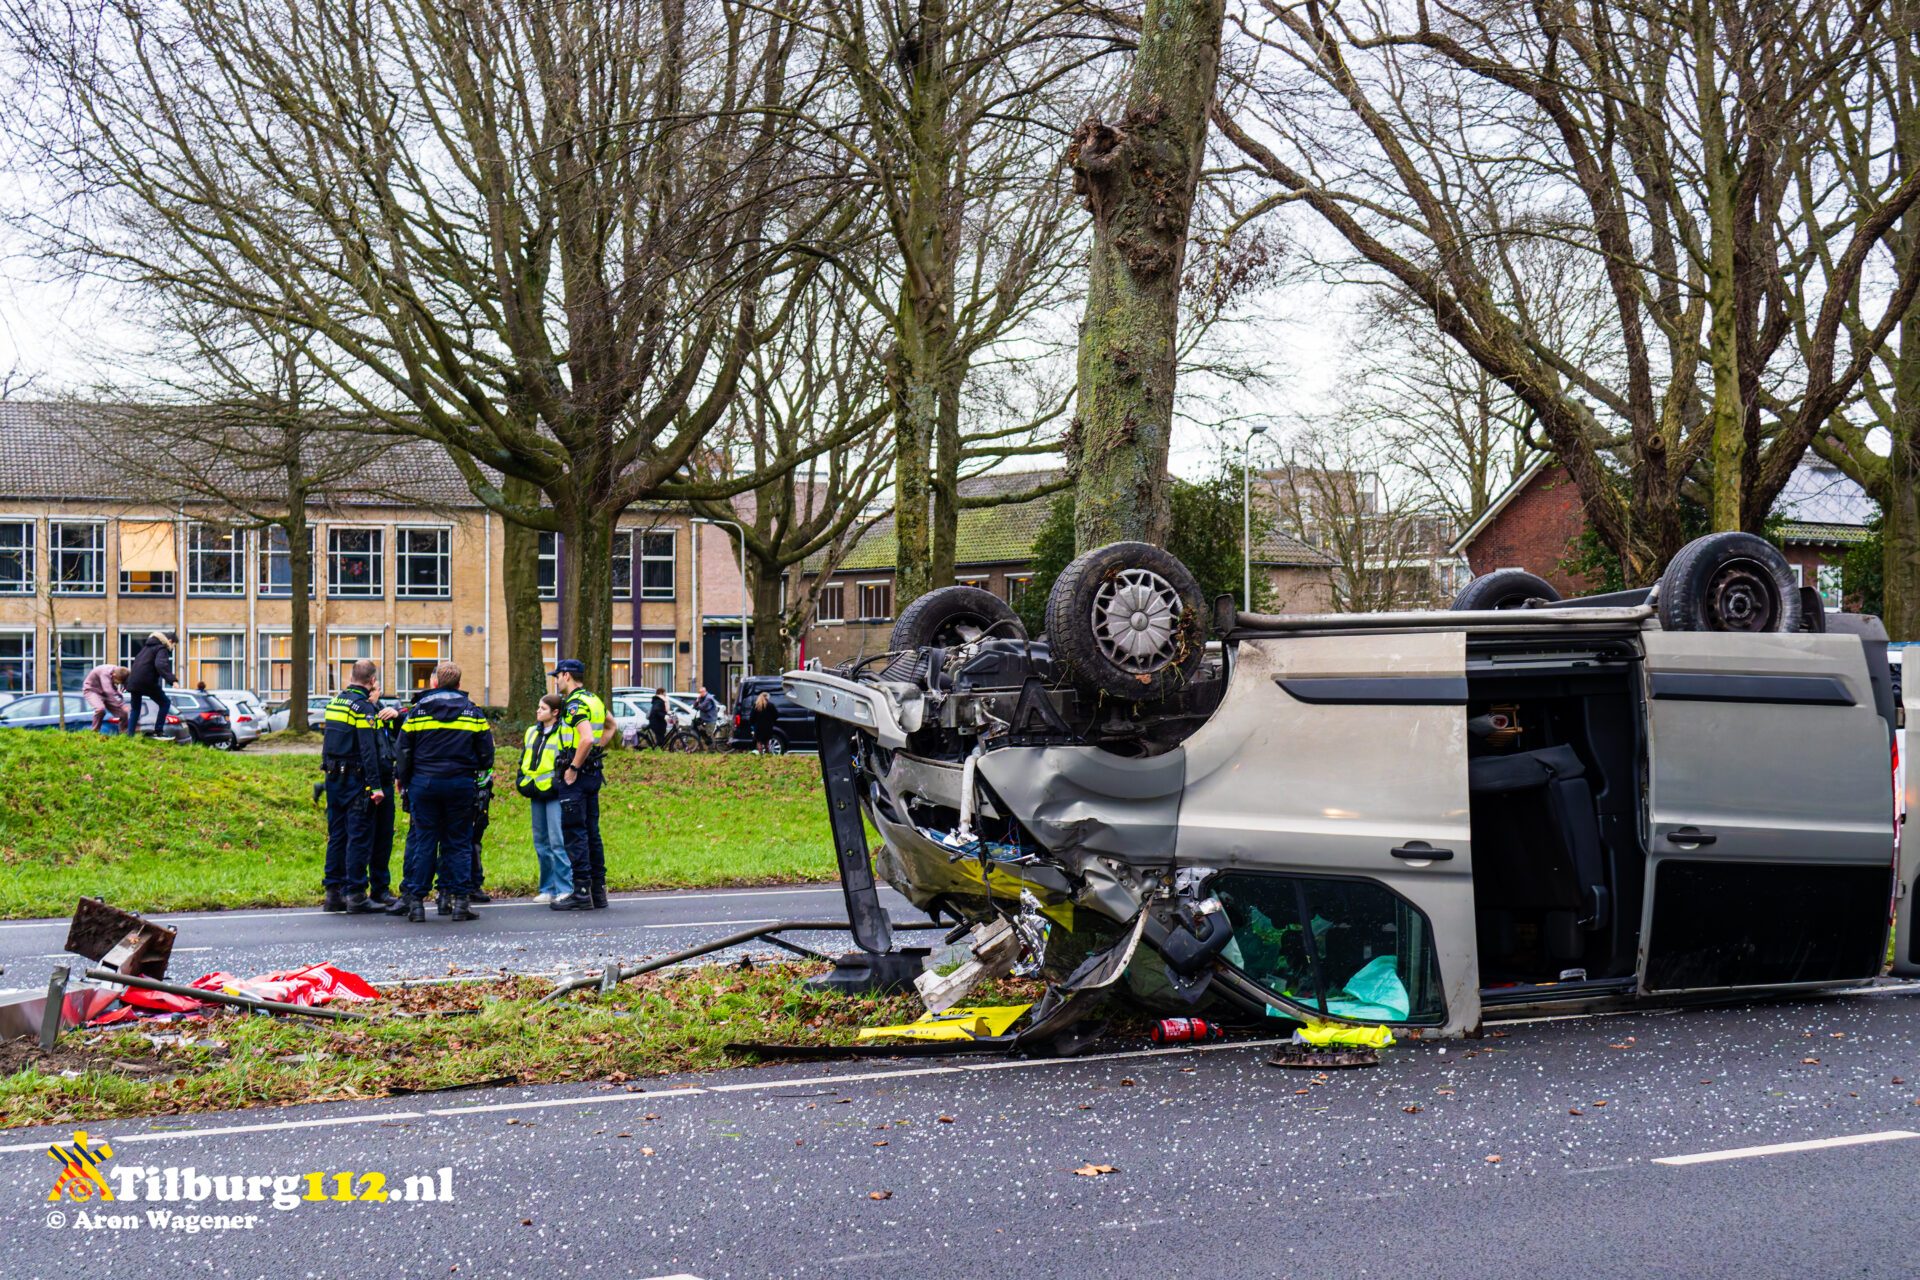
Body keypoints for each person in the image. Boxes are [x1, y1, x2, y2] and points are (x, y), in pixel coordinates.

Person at [393, 662, 494, 922]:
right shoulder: (473, 713)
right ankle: (459, 901)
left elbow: (403, 750)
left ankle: (416, 902)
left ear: (434, 683)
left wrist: (402, 780)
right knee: (459, 841)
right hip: (460, 783)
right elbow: (486, 754)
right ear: (459, 685)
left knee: (424, 840)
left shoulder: (417, 712)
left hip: (424, 783)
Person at [320, 660, 385, 914]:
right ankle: (356, 894)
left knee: (337, 835)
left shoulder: (335, 702)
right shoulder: (363, 708)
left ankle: (332, 892)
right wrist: (375, 786)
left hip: (333, 778)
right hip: (356, 780)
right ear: (371, 681)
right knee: (358, 836)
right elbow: (368, 750)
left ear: (351, 676)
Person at [549, 658, 614, 911]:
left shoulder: (575, 703)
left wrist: (573, 767)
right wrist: (595, 752)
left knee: (575, 833)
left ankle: (581, 892)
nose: (556, 680)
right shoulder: (594, 699)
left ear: (566, 675)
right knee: (592, 833)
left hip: (575, 776)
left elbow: (585, 737)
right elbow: (611, 726)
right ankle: (598, 891)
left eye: (557, 676)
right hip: (593, 774)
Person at [518, 693, 574, 904]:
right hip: (535, 792)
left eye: (542, 708)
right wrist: (521, 779)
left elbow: (568, 758)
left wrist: (556, 783)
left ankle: (564, 887)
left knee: (557, 841)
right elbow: (524, 758)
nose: (538, 711)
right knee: (541, 842)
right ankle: (547, 888)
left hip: (554, 793)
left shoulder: (564, 732)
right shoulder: (531, 732)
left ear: (555, 712)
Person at [124, 631, 176, 739]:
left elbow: (136, 665)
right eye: (174, 645)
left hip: (134, 682)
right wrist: (172, 680)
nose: (173, 648)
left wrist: (128, 683)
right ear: (170, 641)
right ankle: (158, 731)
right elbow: (161, 665)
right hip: (147, 681)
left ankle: (130, 736)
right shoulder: (161, 648)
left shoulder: (145, 649)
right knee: (165, 703)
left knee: (135, 709)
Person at [81, 664, 130, 735]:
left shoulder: (120, 671)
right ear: (114, 675)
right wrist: (122, 704)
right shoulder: (104, 672)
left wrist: (120, 699)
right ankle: (94, 732)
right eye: (117, 682)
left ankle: (124, 733)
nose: (117, 683)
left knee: (123, 713)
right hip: (92, 690)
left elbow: (112, 691)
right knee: (100, 709)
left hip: (105, 693)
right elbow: (108, 690)